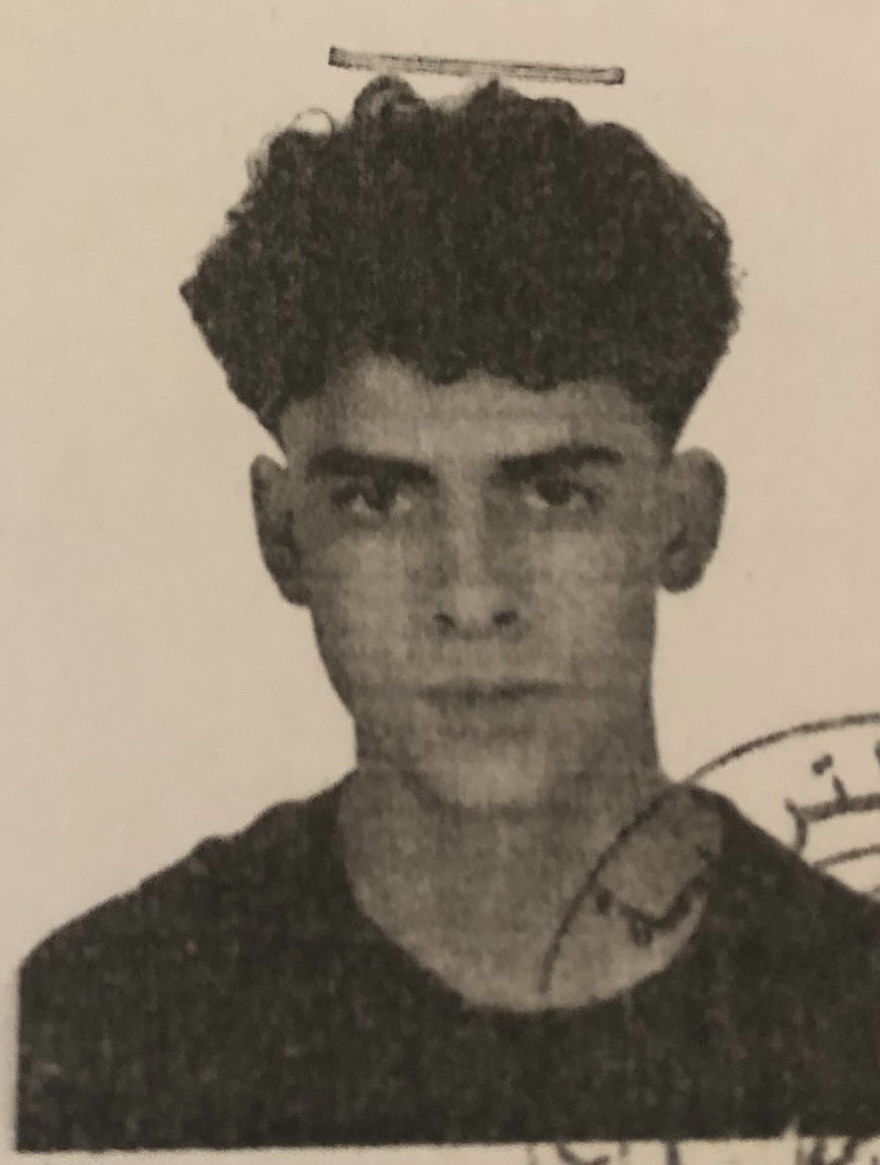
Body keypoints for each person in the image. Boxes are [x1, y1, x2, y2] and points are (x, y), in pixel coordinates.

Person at [16, 77, 880, 1152]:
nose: (471, 597)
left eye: (554, 494)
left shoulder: (857, 1008)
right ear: (282, 537)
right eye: (378, 501)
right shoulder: (106, 1020)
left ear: (683, 522)